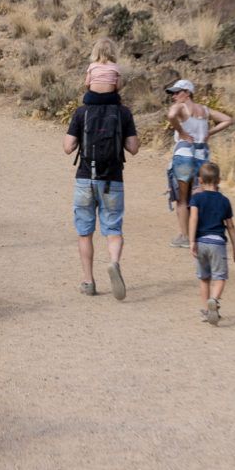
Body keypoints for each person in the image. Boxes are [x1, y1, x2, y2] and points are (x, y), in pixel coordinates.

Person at [63, 95, 140, 300]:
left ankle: (88, 281)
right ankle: (114, 261)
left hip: (85, 179)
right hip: (113, 180)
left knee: (84, 232)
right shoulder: (123, 113)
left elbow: (68, 147)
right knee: (113, 229)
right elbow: (133, 148)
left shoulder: (81, 112)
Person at [165, 79, 232, 248]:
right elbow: (227, 119)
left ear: (187, 93)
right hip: (202, 157)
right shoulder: (204, 110)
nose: (174, 96)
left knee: (181, 199)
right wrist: (209, 132)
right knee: (200, 196)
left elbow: (171, 115)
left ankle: (185, 236)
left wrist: (181, 131)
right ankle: (202, 232)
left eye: (177, 92)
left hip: (184, 155)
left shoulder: (181, 107)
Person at [189, 162, 235, 326]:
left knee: (204, 279)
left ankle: (206, 311)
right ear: (219, 180)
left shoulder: (196, 198)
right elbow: (230, 226)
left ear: (200, 180)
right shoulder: (224, 201)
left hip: (201, 242)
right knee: (220, 278)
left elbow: (193, 219)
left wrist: (191, 241)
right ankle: (214, 300)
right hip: (218, 243)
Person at [82, 38, 124, 106]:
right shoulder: (115, 67)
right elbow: (118, 86)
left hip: (93, 97)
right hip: (109, 98)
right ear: (113, 52)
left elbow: (87, 84)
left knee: (86, 98)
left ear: (96, 52)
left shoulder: (92, 66)